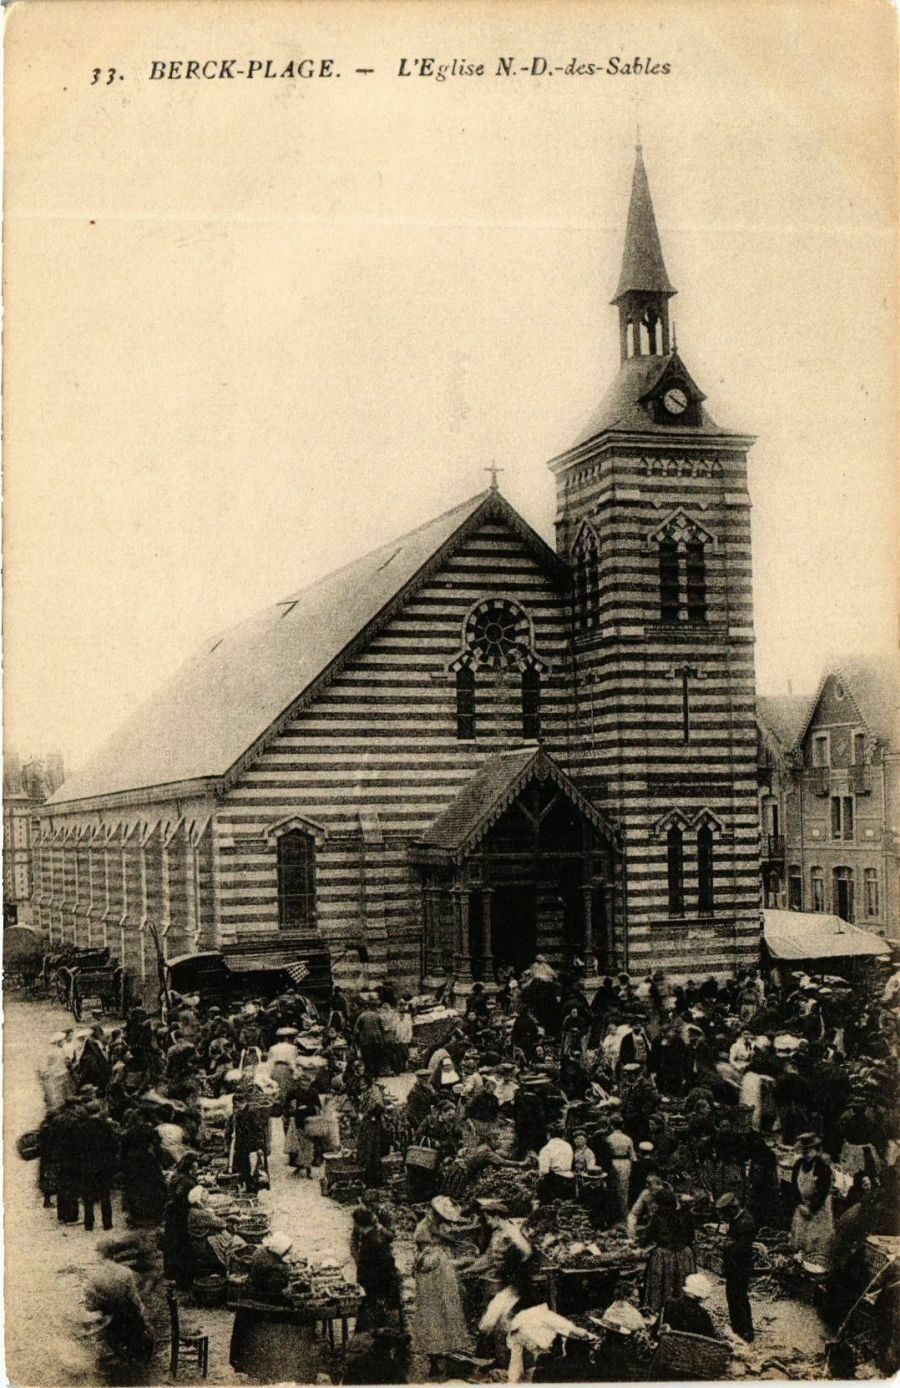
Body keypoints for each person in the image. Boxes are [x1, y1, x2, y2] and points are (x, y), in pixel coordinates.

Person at [411, 1196, 472, 1378]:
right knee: (432, 1314)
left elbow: (446, 1237)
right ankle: (434, 1358)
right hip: (430, 1275)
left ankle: (447, 1351)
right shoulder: (423, 1228)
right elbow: (424, 1256)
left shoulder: (436, 1226)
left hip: (442, 1274)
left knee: (448, 1309)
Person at [641, 1186, 695, 1315]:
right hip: (684, 1254)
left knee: (660, 1285)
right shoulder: (685, 1215)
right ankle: (682, 1311)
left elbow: (648, 1237)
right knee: (681, 1284)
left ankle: (659, 1311)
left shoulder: (657, 1217)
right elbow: (691, 1237)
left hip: (663, 1255)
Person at [77, 1098, 119, 1233]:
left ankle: (89, 1224)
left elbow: (76, 1147)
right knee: (105, 1194)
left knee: (88, 1195)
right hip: (104, 1165)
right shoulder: (106, 1126)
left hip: (87, 1165)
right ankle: (107, 1223)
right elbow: (114, 1145)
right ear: (98, 1111)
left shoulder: (81, 1127)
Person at [162, 1152, 199, 1287]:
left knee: (172, 1244)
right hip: (180, 1216)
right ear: (190, 1168)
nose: (197, 1170)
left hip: (172, 1214)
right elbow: (191, 1199)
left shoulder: (177, 1175)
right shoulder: (188, 1182)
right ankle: (183, 1280)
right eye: (196, 1168)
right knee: (182, 1245)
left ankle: (171, 1273)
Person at [659, 1271, 719, 1339]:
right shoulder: (702, 1314)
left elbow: (656, 1329)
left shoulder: (669, 1304)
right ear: (700, 1296)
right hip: (693, 1345)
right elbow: (711, 1340)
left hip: (670, 1344)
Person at [605, 1114, 637, 1223]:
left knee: (612, 1189)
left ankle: (614, 1216)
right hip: (625, 1164)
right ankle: (624, 1216)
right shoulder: (628, 1139)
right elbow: (633, 1157)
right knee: (623, 1190)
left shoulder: (609, 1138)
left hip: (613, 1163)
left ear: (611, 1125)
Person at [354, 1003, 385, 1078]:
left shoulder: (361, 1016)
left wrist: (358, 1039)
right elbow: (382, 1028)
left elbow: (356, 1030)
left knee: (367, 1057)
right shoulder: (377, 1015)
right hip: (377, 1039)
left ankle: (368, 1073)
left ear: (364, 1008)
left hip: (365, 1040)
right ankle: (376, 1073)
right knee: (376, 1056)